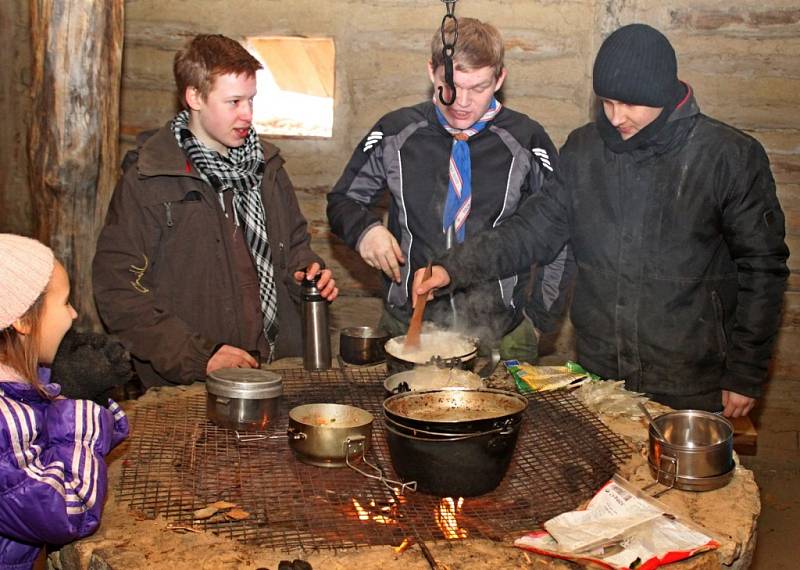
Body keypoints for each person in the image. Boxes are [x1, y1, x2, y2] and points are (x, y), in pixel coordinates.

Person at [414, 24, 789, 417]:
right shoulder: (585, 150)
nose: (616, 117)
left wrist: (745, 371)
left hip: (691, 377)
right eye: (607, 102)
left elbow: (763, 269)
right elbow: (531, 230)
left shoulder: (727, 157)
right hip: (602, 374)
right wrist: (451, 267)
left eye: (629, 104)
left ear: (664, 93)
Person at [94, 34, 338, 387]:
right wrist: (199, 355)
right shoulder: (148, 180)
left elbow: (295, 244)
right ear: (194, 96)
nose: (248, 115)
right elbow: (119, 292)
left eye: (251, 100)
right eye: (234, 101)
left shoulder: (266, 167)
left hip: (274, 367)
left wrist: (307, 274)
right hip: (190, 383)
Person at [327, 18, 573, 360]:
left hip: (501, 332)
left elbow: (557, 236)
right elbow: (344, 200)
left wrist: (538, 319)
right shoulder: (396, 133)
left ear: (499, 79)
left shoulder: (527, 141)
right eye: (451, 85)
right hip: (408, 325)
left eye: (479, 88)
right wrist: (364, 231)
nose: (462, 102)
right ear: (432, 71)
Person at [0, 234, 129, 569]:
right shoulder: (4, 419)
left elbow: (63, 444)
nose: (73, 314)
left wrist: (71, 388)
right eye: (65, 302)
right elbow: (68, 511)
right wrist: (78, 399)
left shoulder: (15, 387)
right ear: (23, 321)